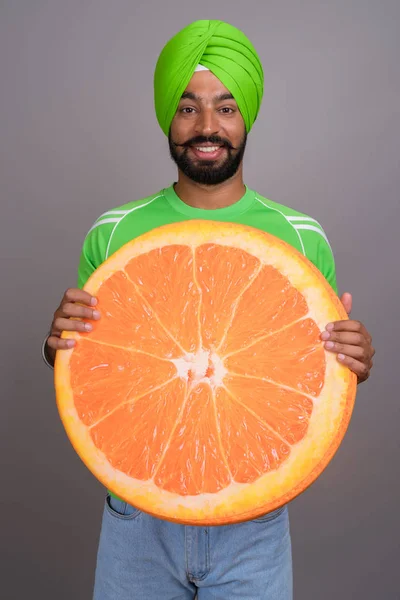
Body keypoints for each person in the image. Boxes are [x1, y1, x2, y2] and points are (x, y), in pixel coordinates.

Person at [42, 19, 375, 600]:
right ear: (166, 119)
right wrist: (56, 346)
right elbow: (102, 366)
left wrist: (353, 360)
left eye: (225, 108)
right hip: (137, 520)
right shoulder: (113, 233)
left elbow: (301, 380)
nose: (207, 127)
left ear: (246, 117)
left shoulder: (301, 238)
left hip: (254, 517)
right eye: (187, 107)